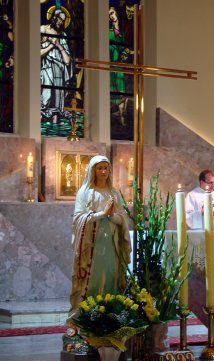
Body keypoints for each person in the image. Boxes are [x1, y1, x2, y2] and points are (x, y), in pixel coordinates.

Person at [69, 155, 131, 316]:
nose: (103, 171)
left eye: (106, 168)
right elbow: (78, 218)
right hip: (92, 245)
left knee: (110, 275)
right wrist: (102, 214)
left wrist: (110, 215)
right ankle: (89, 314)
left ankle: (109, 313)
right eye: (100, 168)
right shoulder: (85, 192)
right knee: (94, 277)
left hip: (111, 243)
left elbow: (122, 218)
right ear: (93, 171)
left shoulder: (114, 193)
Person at [40, 8, 72, 124]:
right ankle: (39, 120)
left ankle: (55, 122)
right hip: (46, 69)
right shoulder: (43, 29)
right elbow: (35, 53)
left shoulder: (63, 36)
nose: (61, 22)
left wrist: (58, 45)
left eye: (63, 20)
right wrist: (50, 46)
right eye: (59, 19)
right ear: (53, 17)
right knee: (46, 94)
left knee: (58, 98)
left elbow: (67, 61)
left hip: (60, 72)